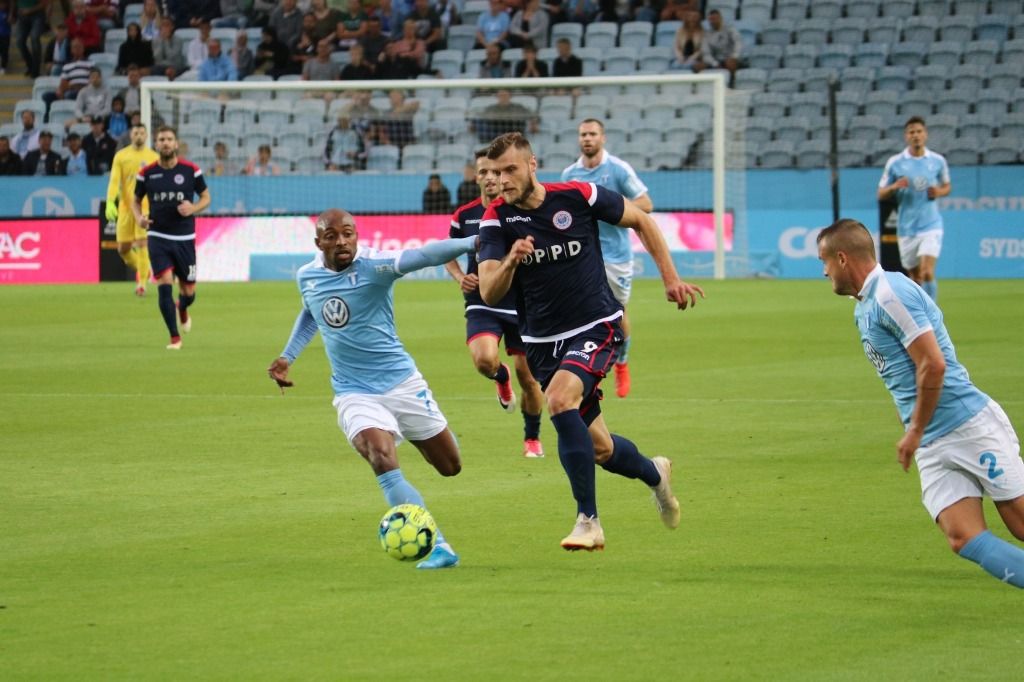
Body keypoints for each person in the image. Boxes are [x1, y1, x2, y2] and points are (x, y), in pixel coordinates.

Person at [477, 132, 704, 550]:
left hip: (596, 325)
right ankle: (656, 474)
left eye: (510, 169)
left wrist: (670, 279)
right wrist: (511, 261)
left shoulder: (577, 195)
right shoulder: (496, 219)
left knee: (559, 400)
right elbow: (490, 292)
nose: (502, 180)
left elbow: (642, 220)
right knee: (600, 448)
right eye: (495, 172)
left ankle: (588, 522)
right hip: (542, 342)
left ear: (532, 165)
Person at [816, 218, 1024, 589]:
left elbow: (933, 364)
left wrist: (914, 431)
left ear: (842, 258)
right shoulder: (864, 305)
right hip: (932, 439)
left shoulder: (889, 294)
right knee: (962, 536)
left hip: (966, 424)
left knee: (1020, 522)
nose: (824, 271)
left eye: (825, 261)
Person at [266, 207, 478, 569]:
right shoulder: (307, 276)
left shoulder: (375, 266)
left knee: (450, 465)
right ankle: (437, 545)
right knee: (380, 454)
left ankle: (417, 433)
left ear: (357, 236)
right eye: (332, 236)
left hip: (403, 383)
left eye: (348, 234)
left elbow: (424, 255)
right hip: (354, 392)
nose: (341, 241)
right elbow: (311, 311)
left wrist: (474, 241)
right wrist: (288, 356)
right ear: (318, 242)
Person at [445, 149, 545, 458]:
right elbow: (447, 251)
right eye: (483, 172)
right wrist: (460, 276)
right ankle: (500, 376)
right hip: (482, 301)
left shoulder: (519, 210)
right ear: (476, 177)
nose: (490, 177)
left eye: (495, 171)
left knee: (529, 378)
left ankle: (532, 438)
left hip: (521, 304)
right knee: (484, 361)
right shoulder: (464, 215)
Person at [561, 118, 652, 398]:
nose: (587, 138)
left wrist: (610, 208)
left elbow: (645, 203)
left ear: (603, 138)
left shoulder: (618, 169)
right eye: (583, 134)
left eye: (592, 134)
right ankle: (591, 368)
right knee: (584, 313)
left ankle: (622, 361)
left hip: (616, 257)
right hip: (583, 256)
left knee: (618, 313)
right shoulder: (570, 174)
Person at [132, 126, 210, 350]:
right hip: (158, 236)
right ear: (156, 144)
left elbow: (206, 197)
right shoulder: (146, 173)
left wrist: (193, 207)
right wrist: (139, 218)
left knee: (189, 292)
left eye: (169, 139)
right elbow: (135, 200)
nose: (165, 143)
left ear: (176, 144)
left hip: (185, 238)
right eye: (161, 139)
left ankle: (182, 308)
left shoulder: (191, 170)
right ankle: (174, 337)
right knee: (164, 283)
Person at [877, 116, 951, 302]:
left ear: (925, 134)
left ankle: (932, 314)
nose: (916, 135)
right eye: (912, 132)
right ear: (906, 136)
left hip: (931, 224)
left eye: (919, 131)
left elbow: (947, 186)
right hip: (906, 228)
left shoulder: (937, 161)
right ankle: (917, 311)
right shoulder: (895, 163)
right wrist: (894, 187)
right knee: (915, 277)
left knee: (927, 272)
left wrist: (939, 192)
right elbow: (881, 193)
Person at [106, 122, 159, 296]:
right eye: (136, 133)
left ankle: (142, 283)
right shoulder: (121, 156)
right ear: (131, 135)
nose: (139, 136)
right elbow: (114, 181)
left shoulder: (153, 157)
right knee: (123, 249)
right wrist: (110, 202)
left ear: (147, 136)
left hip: (145, 208)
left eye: (142, 133)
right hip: (125, 208)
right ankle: (145, 269)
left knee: (142, 244)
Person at [695, 8, 742, 84]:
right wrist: (715, 63)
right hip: (716, 60)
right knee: (698, 66)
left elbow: (738, 43)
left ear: (720, 18)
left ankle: (732, 83)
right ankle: (700, 85)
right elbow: (706, 53)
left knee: (730, 63)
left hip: (730, 58)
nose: (713, 21)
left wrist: (734, 56)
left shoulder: (730, 30)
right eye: (711, 19)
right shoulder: (707, 34)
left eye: (715, 19)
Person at [14, 0, 47, 77]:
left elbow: (44, 3)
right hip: (22, 15)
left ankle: (35, 70)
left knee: (34, 38)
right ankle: (30, 65)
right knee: (19, 41)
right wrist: (13, 13)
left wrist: (30, 10)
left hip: (37, 15)